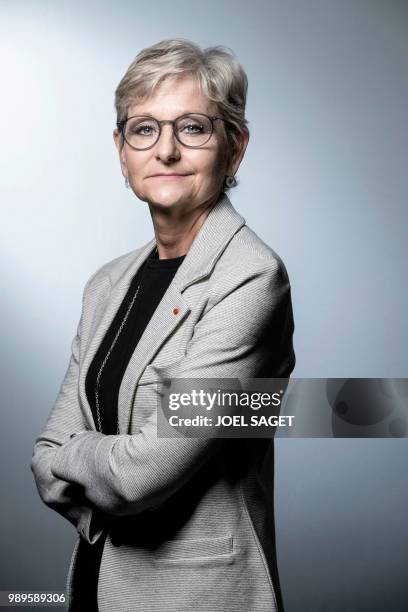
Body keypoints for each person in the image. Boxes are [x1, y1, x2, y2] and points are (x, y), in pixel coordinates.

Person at [30, 38, 295, 612]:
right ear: (121, 150)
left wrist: (72, 455)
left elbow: (142, 473)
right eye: (143, 128)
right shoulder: (108, 282)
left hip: (196, 595)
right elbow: (43, 454)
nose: (166, 150)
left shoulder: (251, 279)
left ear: (235, 147)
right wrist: (79, 455)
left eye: (193, 128)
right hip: (97, 581)